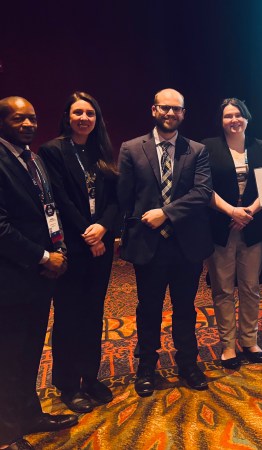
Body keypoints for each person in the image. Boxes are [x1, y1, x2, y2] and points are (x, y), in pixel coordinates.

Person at [118, 88, 214, 396]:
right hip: (148, 245)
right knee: (148, 309)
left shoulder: (197, 150)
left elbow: (202, 193)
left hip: (187, 245)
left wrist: (166, 213)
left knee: (185, 308)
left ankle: (188, 364)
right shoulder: (131, 148)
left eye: (176, 109)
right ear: (154, 110)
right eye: (165, 107)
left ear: (183, 113)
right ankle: (146, 366)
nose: (170, 113)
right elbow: (125, 197)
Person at [0, 97, 77, 450]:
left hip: (38, 276)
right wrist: (44, 257)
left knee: (30, 351)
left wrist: (58, 249)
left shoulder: (33, 158)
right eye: (19, 119)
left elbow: (47, 208)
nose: (29, 124)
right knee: (8, 356)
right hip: (12, 277)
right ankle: (7, 433)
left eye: (32, 118)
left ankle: (30, 414)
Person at [39, 92, 118, 413]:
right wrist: (89, 233)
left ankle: (90, 377)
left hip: (101, 245)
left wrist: (104, 227)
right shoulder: (52, 150)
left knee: (93, 313)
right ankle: (68, 384)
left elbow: (116, 198)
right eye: (78, 113)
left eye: (90, 113)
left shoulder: (102, 150)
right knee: (69, 315)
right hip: (72, 246)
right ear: (67, 117)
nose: (84, 118)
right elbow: (59, 198)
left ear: (97, 119)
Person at [202, 98, 262, 370]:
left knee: (250, 287)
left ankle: (249, 341)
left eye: (238, 115)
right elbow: (204, 188)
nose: (234, 120)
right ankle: (228, 345)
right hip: (221, 227)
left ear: (247, 118)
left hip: (253, 226)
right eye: (228, 116)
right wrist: (232, 212)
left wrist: (249, 212)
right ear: (221, 121)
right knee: (222, 289)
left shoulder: (261, 147)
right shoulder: (208, 147)